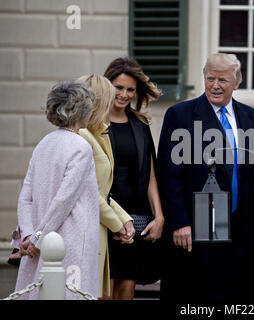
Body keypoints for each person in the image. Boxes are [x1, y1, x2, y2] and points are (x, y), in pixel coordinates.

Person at [158, 53, 254, 300]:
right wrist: (179, 222)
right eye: (210, 79)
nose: (215, 86)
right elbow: (169, 176)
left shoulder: (253, 117)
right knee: (203, 294)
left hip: (244, 229)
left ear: (236, 82)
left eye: (222, 80)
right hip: (199, 226)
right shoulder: (180, 115)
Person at [14, 80, 99, 299]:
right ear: (81, 111)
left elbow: (25, 198)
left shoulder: (44, 143)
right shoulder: (81, 147)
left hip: (37, 241)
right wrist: (37, 239)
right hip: (68, 241)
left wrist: (30, 234)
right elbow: (64, 200)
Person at [103, 57, 164, 300]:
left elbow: (150, 175)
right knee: (103, 291)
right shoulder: (93, 123)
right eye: (119, 87)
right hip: (104, 217)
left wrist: (159, 217)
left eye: (130, 89)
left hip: (135, 217)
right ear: (107, 85)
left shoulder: (140, 124)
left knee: (126, 291)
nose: (125, 94)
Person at [78, 74, 135, 299]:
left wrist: (124, 218)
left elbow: (103, 189)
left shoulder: (98, 133)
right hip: (84, 230)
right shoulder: (82, 136)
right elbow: (89, 191)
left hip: (98, 227)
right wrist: (117, 225)